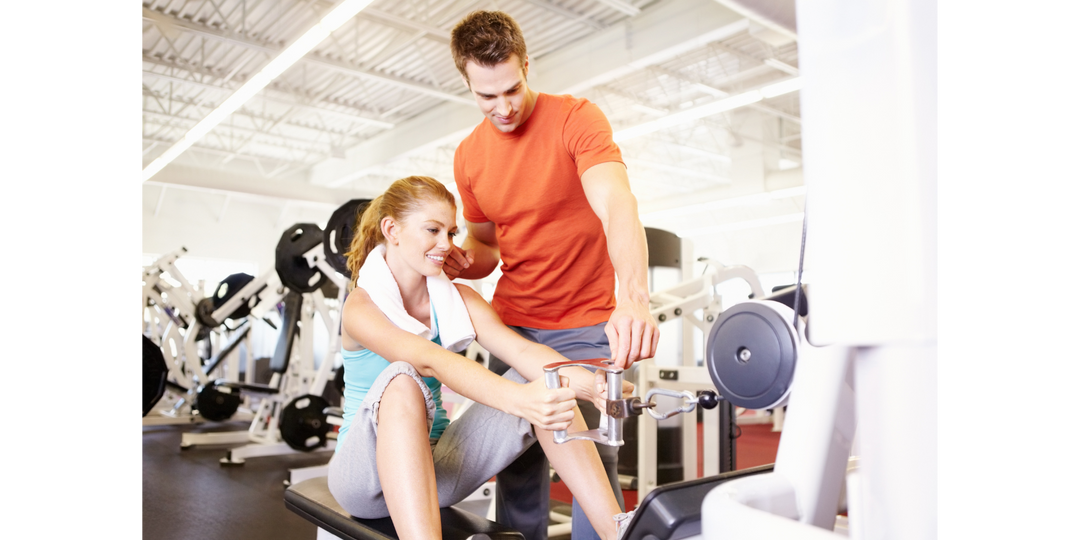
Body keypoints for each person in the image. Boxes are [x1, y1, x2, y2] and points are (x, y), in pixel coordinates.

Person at [445, 10, 659, 540]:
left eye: (512, 89)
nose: (504, 107)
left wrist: (633, 298)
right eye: (486, 96)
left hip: (586, 324)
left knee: (594, 465)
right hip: (514, 327)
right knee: (516, 466)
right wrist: (456, 262)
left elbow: (617, 206)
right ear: (467, 84)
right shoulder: (469, 156)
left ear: (525, 64)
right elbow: (487, 248)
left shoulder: (576, 119)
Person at [326, 176, 632, 540]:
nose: (446, 245)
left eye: (451, 233)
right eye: (433, 230)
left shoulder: (459, 299)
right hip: (363, 479)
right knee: (403, 379)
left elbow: (521, 350)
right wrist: (520, 401)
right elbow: (427, 359)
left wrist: (589, 384)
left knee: (546, 382)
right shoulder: (361, 306)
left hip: (439, 471)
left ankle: (617, 530)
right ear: (392, 229)